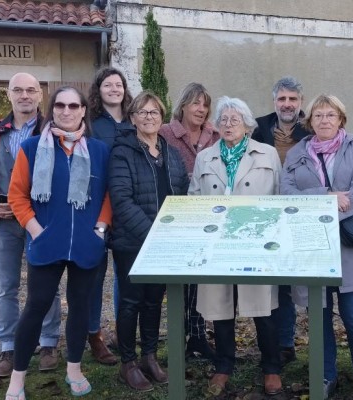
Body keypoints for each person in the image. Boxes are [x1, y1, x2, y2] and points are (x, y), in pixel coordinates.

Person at [4, 86, 112, 399]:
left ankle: (74, 368)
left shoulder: (100, 151)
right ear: (52, 110)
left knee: (80, 308)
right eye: (60, 105)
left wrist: (101, 229)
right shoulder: (32, 147)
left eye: (73, 105)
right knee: (35, 308)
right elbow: (17, 195)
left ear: (83, 111)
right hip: (46, 244)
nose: (66, 111)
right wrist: (37, 230)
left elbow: (107, 194)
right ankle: (18, 376)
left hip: (86, 245)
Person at [282, 94, 353, 400]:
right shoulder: (297, 152)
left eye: (331, 115)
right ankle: (325, 374)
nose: (325, 120)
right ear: (310, 121)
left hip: (349, 244)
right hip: (311, 246)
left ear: (341, 119)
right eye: (319, 115)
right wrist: (327, 196)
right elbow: (287, 193)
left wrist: (325, 211)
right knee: (319, 317)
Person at [0, 72, 61, 379]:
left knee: (46, 285)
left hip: (40, 221)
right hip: (5, 222)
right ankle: (7, 348)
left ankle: (48, 344)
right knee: (5, 287)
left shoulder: (55, 131)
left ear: (39, 95)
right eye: (18, 90)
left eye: (31, 90)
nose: (24, 95)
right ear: (8, 95)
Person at [191, 96, 283, 397]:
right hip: (217, 245)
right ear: (216, 126)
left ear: (247, 125)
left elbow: (280, 197)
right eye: (224, 120)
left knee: (264, 309)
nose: (229, 125)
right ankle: (224, 365)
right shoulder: (205, 157)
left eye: (235, 119)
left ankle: (271, 368)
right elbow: (193, 198)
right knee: (220, 306)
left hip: (256, 243)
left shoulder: (267, 154)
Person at [109, 91, 189, 391]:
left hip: (163, 244)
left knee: (154, 301)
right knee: (131, 303)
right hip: (132, 242)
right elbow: (121, 199)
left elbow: (181, 191)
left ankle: (150, 357)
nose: (148, 117)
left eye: (154, 112)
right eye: (142, 112)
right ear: (132, 118)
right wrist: (151, 236)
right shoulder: (122, 152)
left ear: (162, 117)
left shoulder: (169, 151)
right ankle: (127, 362)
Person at [252, 76, 312, 365]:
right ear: (274, 101)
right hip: (264, 214)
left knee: (290, 284)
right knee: (268, 281)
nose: (287, 104)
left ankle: (286, 342)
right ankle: (270, 341)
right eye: (282, 99)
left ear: (300, 103)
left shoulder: (311, 130)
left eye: (292, 99)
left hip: (300, 214)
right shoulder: (258, 128)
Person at [159, 82, 219, 361]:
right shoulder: (165, 134)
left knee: (199, 283)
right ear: (183, 105)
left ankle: (197, 337)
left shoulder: (215, 134)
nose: (201, 109)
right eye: (195, 103)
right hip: (177, 219)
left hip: (209, 219)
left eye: (205, 104)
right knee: (179, 283)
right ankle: (177, 339)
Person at [84, 67, 135, 365]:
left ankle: (121, 332)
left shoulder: (133, 120)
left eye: (119, 84)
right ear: (98, 89)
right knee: (95, 275)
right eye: (108, 84)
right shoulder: (90, 122)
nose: (114, 89)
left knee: (124, 277)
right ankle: (94, 335)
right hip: (98, 208)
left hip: (126, 207)